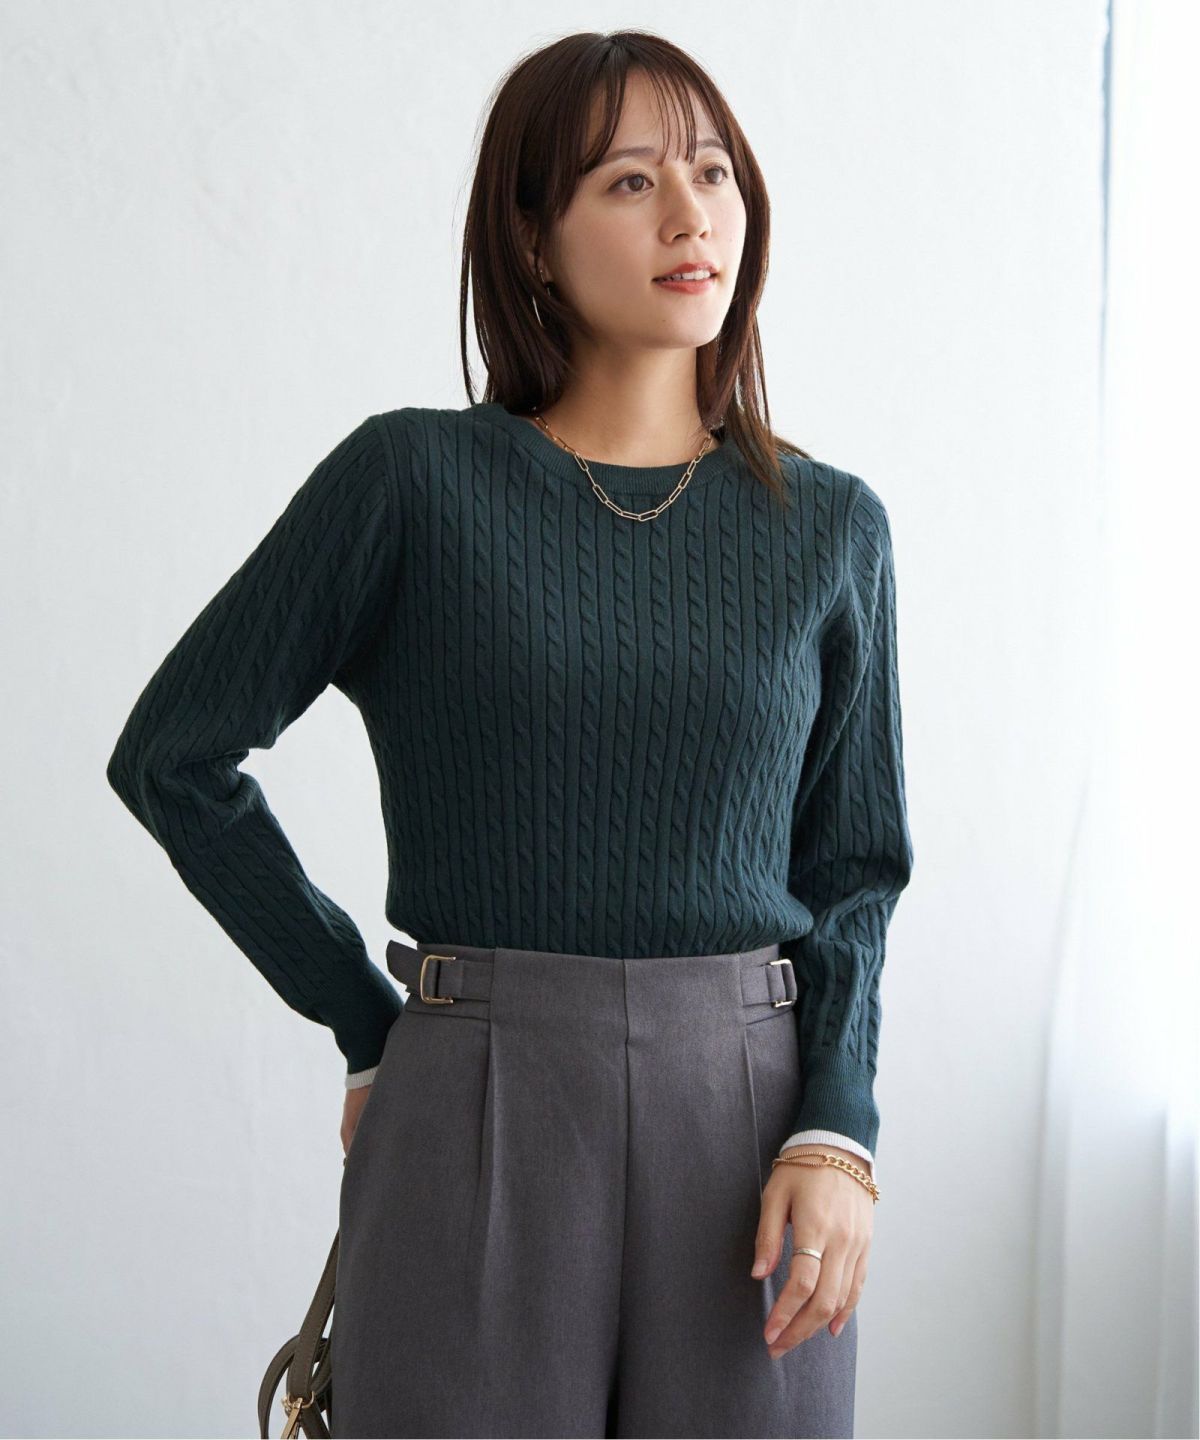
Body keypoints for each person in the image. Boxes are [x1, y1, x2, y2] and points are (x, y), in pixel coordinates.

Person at [106, 29, 913, 1440]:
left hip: (751, 1118)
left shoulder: (831, 527)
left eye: (714, 172)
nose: (690, 213)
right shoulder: (411, 482)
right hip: (472, 1099)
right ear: (532, 239)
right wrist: (368, 1020)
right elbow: (174, 756)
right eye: (630, 180)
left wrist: (838, 1126)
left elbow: (855, 870)